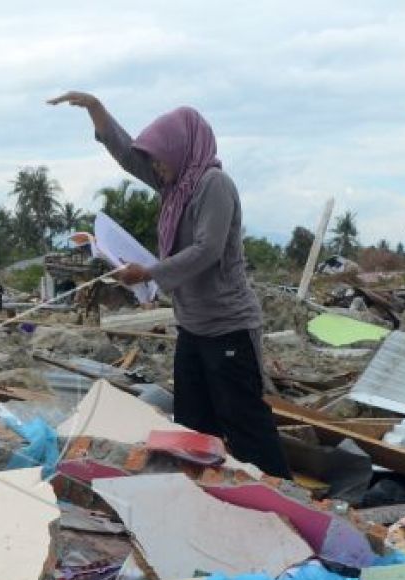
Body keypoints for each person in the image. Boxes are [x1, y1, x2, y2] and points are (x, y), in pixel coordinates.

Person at [49, 91, 292, 478]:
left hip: (228, 327)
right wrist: (96, 110)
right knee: (193, 424)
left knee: (246, 424)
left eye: (161, 158)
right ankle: (206, 496)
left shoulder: (213, 185)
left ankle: (282, 500)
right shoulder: (174, 187)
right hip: (192, 327)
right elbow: (130, 155)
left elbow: (207, 249)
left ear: (181, 150)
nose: (157, 167)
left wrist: (149, 273)